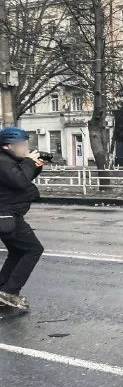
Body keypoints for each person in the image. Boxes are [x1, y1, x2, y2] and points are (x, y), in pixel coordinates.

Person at [0, 128, 45, 311]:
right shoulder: (2, 161)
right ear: (10, 145)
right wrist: (28, 162)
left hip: (9, 214)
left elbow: (22, 181)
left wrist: (37, 165)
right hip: (6, 214)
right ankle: (10, 291)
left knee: (18, 251)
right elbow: (19, 181)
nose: (26, 148)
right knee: (34, 250)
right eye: (23, 144)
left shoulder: (8, 160)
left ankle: (3, 289)